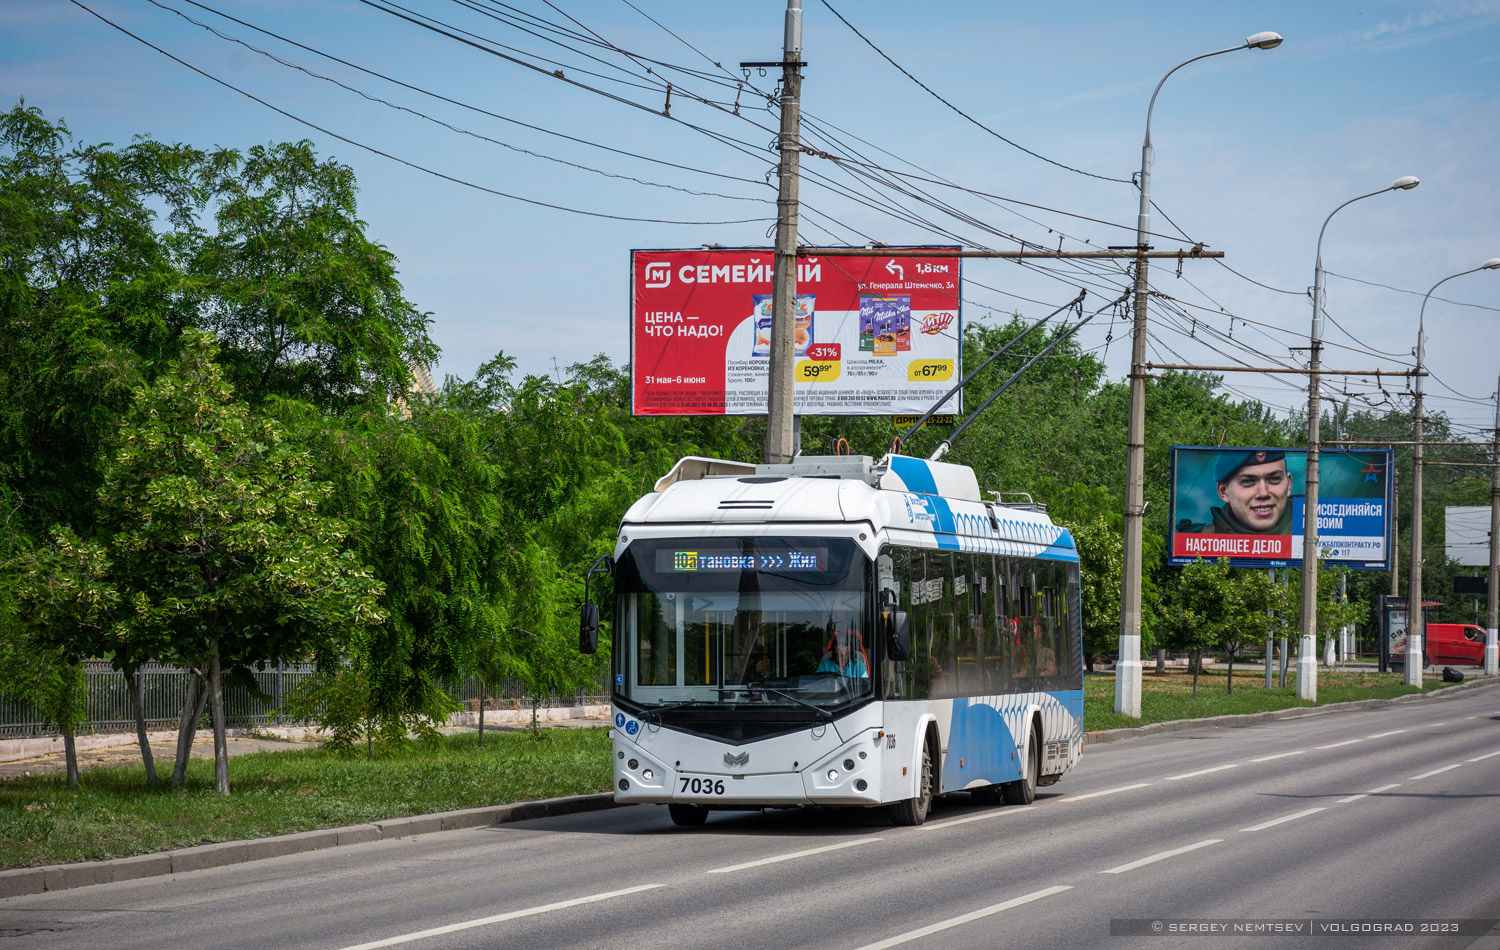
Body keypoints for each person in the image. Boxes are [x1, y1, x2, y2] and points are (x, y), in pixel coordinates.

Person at [1179, 449, 1294, 535]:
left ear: (1288, 484)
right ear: (1223, 492)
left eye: (1274, 479)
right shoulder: (1197, 539)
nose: (1263, 493)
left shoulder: (1309, 533)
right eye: (1248, 481)